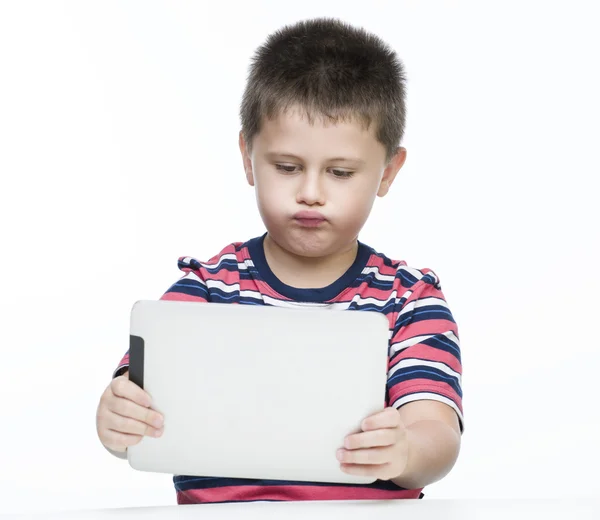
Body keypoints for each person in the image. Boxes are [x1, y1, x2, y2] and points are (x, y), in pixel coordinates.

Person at [95, 17, 463, 505]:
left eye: (340, 172)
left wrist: (407, 449)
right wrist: (117, 416)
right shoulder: (205, 290)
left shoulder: (409, 300)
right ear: (248, 156)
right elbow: (135, 401)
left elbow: (436, 433)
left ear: (387, 172)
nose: (310, 193)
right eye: (287, 168)